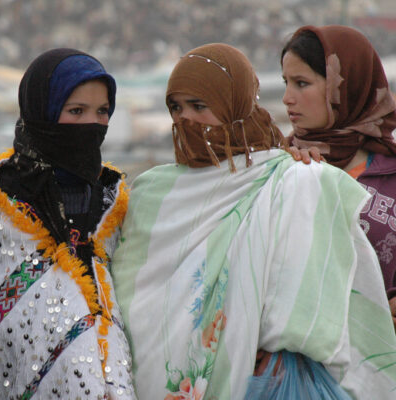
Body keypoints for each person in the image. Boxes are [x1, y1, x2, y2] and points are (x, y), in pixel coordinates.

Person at [110, 43, 396, 399]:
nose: (185, 119)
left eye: (199, 106)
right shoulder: (153, 191)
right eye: (176, 107)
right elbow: (132, 299)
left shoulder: (294, 180)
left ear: (237, 103)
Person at [0, 48, 135, 399]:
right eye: (76, 111)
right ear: (42, 112)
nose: (91, 124)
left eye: (102, 112)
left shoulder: (113, 204)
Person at [281, 25, 396, 328]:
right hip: (304, 364)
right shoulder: (280, 168)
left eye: (301, 83)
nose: (286, 98)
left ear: (345, 86)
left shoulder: (391, 173)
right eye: (285, 83)